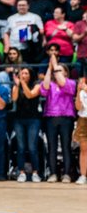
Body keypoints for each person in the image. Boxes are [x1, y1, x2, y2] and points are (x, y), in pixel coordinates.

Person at [38, 51, 76, 182]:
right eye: (55, 71)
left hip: (66, 118)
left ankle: (67, 174)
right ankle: (53, 173)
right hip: (51, 118)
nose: (56, 72)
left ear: (66, 72)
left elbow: (63, 83)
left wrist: (55, 65)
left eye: (59, 70)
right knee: (52, 147)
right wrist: (49, 69)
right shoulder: (51, 84)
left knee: (66, 146)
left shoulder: (71, 83)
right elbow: (44, 89)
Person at [13, 67, 42, 182]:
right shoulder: (17, 85)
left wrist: (23, 83)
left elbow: (30, 95)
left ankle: (35, 172)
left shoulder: (36, 85)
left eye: (25, 73)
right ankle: (21, 172)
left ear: (30, 75)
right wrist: (17, 85)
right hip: (19, 119)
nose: (23, 75)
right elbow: (14, 98)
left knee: (32, 147)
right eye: (21, 73)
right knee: (20, 147)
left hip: (33, 119)